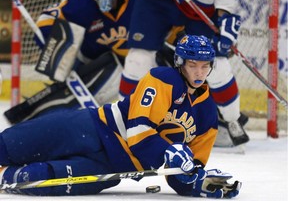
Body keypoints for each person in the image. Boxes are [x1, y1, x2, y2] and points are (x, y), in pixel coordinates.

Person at [0, 35, 241, 197]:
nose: (199, 72)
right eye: (192, 64)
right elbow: (138, 132)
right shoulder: (162, 80)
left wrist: (198, 183)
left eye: (205, 65)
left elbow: (182, 174)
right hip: (94, 128)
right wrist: (167, 153)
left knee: (34, 179)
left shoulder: (208, 113)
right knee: (10, 145)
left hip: (114, 166)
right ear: (179, 62)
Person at [119, 0, 249, 147]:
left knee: (216, 63)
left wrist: (225, 16)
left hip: (199, 5)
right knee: (138, 59)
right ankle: (122, 120)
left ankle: (231, 119)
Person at [3, 0, 143, 123]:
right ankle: (27, 122)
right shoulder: (80, 3)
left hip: (143, 61)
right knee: (59, 102)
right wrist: (56, 50)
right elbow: (48, 17)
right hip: (98, 64)